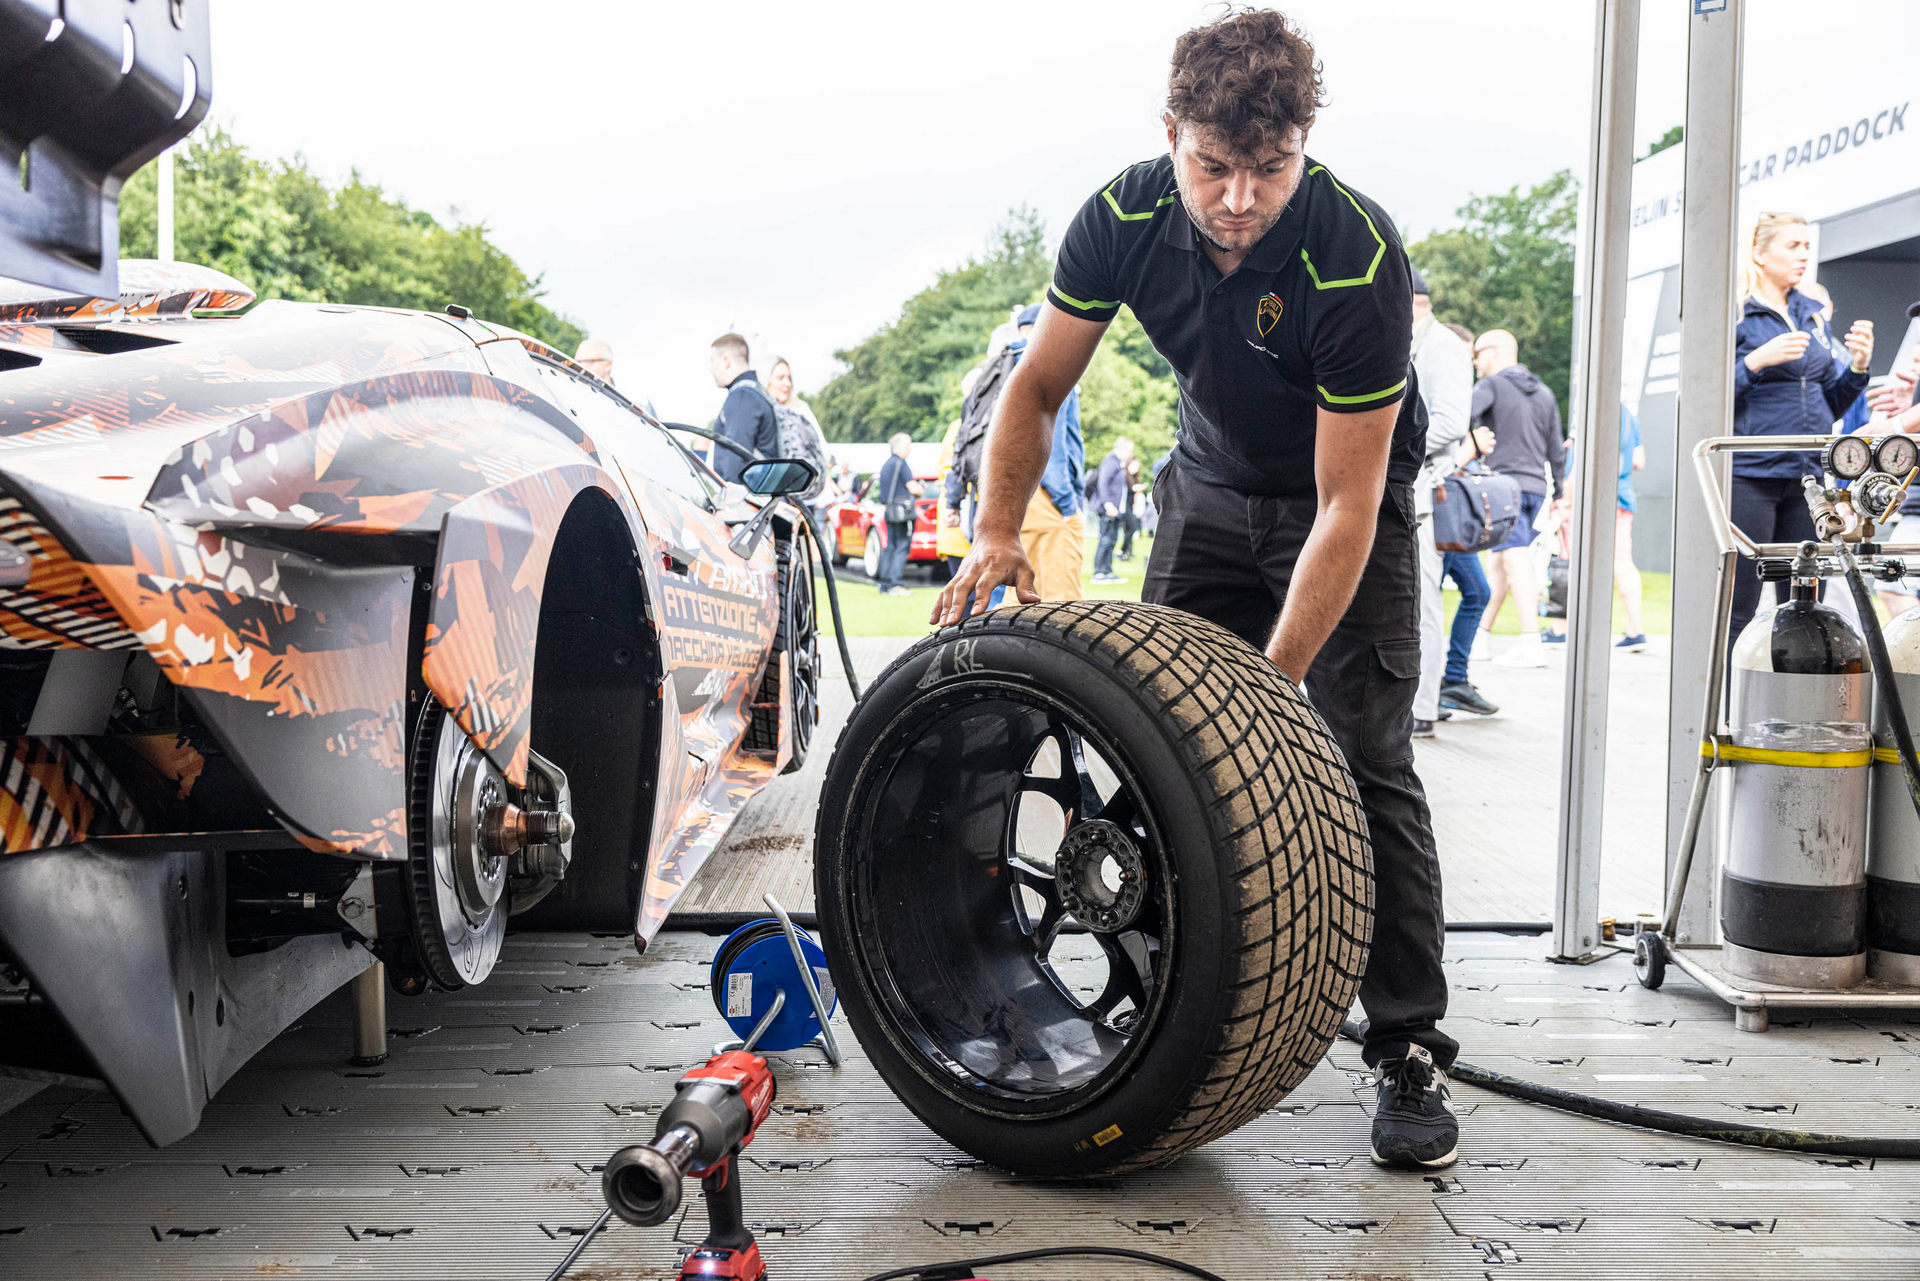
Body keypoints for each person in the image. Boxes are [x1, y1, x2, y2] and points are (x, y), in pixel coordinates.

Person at [932, 10, 1458, 1170]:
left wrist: (1273, 686)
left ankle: (1407, 1045)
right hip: (1210, 488)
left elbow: (1346, 505)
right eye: (1213, 167)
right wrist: (997, 531)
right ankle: (1170, 1006)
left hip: (1342, 500)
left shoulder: (1355, 255)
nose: (1239, 199)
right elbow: (1036, 389)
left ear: (1304, 145)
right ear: (1169, 133)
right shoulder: (1121, 216)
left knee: (1369, 760)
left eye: (1270, 168)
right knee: (1162, 745)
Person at [1727, 212, 1873, 646]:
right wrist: (1756, 361)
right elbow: (1706, 395)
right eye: (1792, 245)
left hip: (1807, 477)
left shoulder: (1812, 316)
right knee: (1740, 605)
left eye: (1807, 246)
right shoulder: (1736, 314)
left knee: (1807, 604)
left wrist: (1858, 368)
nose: (1803, 255)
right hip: (1751, 476)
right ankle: (1729, 691)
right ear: (1759, 253)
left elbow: (1830, 403)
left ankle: (1797, 690)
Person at [1405, 267, 1486, 734]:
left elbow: (1452, 422)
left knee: (1422, 602)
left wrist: (1382, 447)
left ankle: (1423, 707)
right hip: (1407, 487)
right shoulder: (1418, 342)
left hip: (1421, 491)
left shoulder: (1444, 346)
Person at [1468, 329, 1565, 668]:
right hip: (1535, 488)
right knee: (1498, 563)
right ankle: (1479, 638)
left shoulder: (1491, 386)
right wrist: (1560, 493)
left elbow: (1462, 419)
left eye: (1478, 353)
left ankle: (1530, 641)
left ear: (1494, 352)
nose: (1475, 361)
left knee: (1514, 556)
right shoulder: (1545, 393)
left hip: (1502, 487)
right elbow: (1556, 449)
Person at [1009, 303, 1087, 600]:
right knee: (1062, 606)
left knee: (1017, 599)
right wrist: (1066, 503)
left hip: (1013, 496)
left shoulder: (1002, 367)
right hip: (1049, 497)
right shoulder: (1050, 364)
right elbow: (1050, 440)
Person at [707, 333, 778, 485]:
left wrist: (729, 496)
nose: (710, 369)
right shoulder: (756, 392)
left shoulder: (742, 396)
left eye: (712, 360)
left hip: (746, 496)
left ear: (726, 361)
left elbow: (736, 457)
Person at [873, 433, 922, 596]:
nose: (909, 450)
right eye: (908, 446)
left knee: (890, 546)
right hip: (902, 511)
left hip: (889, 510)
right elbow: (913, 487)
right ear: (899, 447)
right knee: (901, 546)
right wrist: (920, 490)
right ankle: (896, 583)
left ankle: (885, 584)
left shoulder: (886, 465)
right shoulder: (901, 464)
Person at [1092, 437, 1135, 584]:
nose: (1130, 454)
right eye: (1129, 450)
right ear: (1121, 448)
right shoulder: (1110, 462)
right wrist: (1108, 504)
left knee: (1111, 541)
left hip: (1116, 510)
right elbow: (1103, 484)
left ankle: (1108, 571)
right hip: (1108, 509)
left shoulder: (1118, 463)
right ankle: (1098, 573)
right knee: (1105, 540)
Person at [1118, 454, 1146, 562]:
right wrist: (1136, 488)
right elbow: (1128, 490)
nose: (1136, 468)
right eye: (1134, 465)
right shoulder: (1124, 475)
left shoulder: (1134, 478)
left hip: (1130, 505)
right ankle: (1122, 550)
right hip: (1124, 506)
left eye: (1137, 466)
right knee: (1133, 527)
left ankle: (1127, 552)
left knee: (1129, 529)